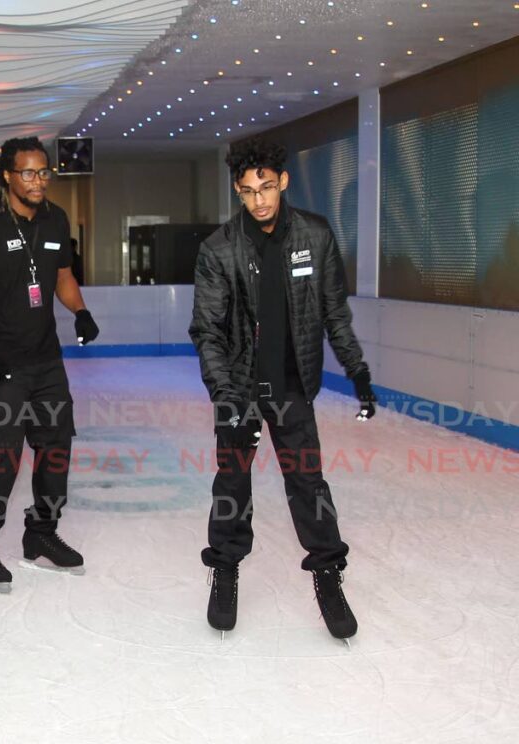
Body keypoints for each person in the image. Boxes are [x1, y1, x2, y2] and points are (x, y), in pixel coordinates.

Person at [188, 137, 377, 643]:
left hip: (292, 388)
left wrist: (356, 369)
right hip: (239, 389)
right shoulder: (219, 249)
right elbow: (207, 331)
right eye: (248, 192)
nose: (259, 200)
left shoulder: (315, 236)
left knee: (308, 486)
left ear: (283, 180)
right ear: (238, 190)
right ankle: (224, 570)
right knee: (232, 487)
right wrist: (226, 399)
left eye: (267, 187)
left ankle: (327, 577)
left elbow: (334, 312)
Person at [0, 137, 100, 592]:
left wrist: (80, 311)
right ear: (7, 177)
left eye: (43, 172)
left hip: (46, 361)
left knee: (56, 450)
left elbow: (62, 278)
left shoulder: (55, 219)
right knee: (3, 458)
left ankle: (40, 533)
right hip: (0, 362)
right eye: (29, 173)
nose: (38, 181)